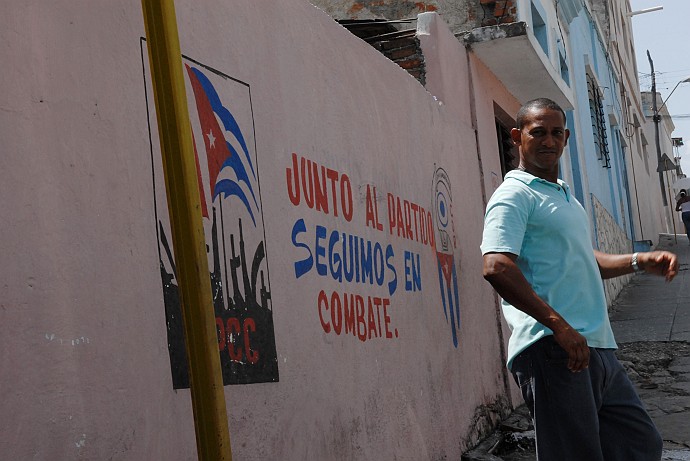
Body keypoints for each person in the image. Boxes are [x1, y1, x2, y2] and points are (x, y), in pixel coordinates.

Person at [480, 98, 678, 461]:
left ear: (567, 137)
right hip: (553, 346)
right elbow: (496, 265)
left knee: (639, 444)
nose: (549, 141)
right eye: (537, 132)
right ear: (516, 136)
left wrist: (638, 261)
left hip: (596, 345)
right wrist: (558, 326)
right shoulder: (514, 195)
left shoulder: (566, 197)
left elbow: (585, 261)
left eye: (556, 132)